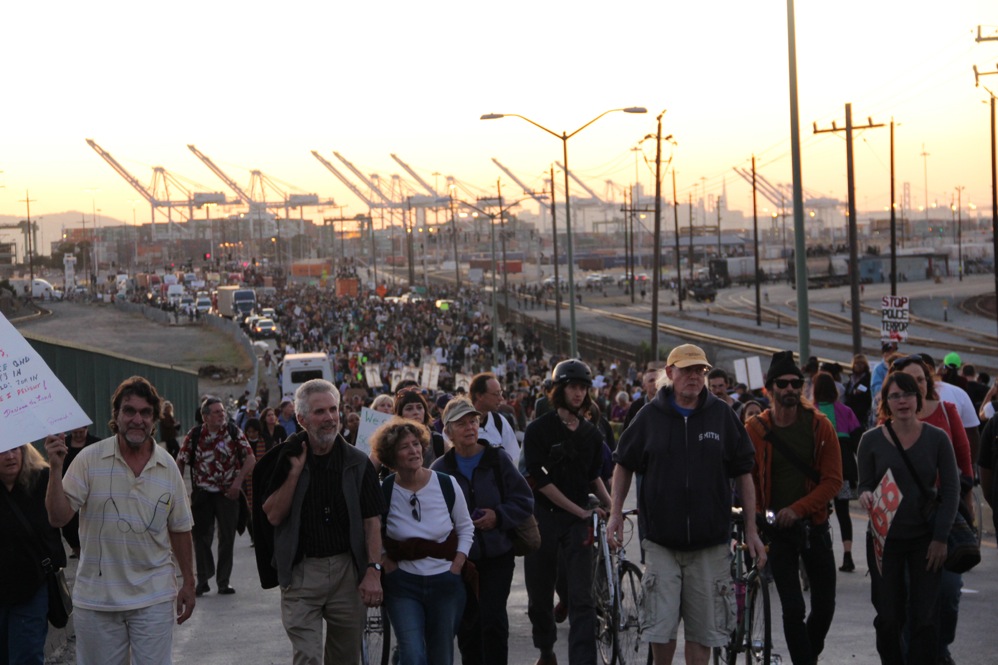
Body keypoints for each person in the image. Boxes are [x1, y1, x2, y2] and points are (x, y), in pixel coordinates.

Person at [610, 344, 765, 665]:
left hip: (710, 545)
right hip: (661, 544)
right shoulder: (649, 416)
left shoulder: (721, 415)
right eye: (687, 370)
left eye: (700, 371)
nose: (694, 377)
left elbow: (744, 472)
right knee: (661, 627)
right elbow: (623, 464)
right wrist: (614, 515)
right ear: (670, 374)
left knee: (702, 631)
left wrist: (751, 528)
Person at [44, 376, 196, 665]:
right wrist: (54, 468)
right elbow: (57, 517)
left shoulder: (167, 468)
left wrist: (189, 582)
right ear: (116, 415)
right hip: (97, 601)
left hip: (154, 597)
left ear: (154, 418)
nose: (137, 419)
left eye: (145, 412)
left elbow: (180, 529)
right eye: (129, 411)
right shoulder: (89, 460)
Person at [262, 379, 385, 664]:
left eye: (333, 410)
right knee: (308, 657)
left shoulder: (357, 462)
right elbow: (274, 515)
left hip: (347, 573)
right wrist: (294, 473)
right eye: (320, 412)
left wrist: (373, 571)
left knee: (345, 658)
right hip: (302, 573)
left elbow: (372, 522)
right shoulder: (286, 457)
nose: (329, 418)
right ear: (302, 419)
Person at [744, 351, 842, 665]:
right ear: (769, 389)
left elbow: (833, 481)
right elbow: (746, 478)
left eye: (795, 383)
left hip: (814, 526)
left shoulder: (819, 426)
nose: (789, 389)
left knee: (824, 605)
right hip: (777, 531)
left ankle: (807, 655)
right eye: (782, 384)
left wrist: (798, 509)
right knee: (793, 609)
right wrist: (756, 514)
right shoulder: (755, 430)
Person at [857, 372, 959, 665]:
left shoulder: (937, 439)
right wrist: (865, 495)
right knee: (889, 617)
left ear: (918, 398)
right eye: (895, 396)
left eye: (908, 394)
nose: (902, 401)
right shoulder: (871, 440)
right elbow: (864, 485)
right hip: (884, 540)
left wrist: (940, 538)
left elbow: (950, 490)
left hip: (925, 539)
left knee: (925, 618)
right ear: (886, 402)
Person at [523, 359, 613, 665]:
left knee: (582, 598)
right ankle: (546, 650)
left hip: (578, 526)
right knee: (539, 595)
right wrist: (580, 510)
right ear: (559, 390)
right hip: (543, 518)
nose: (578, 393)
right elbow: (540, 481)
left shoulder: (591, 434)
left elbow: (592, 474)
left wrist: (611, 505)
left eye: (583, 388)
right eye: (572, 387)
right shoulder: (538, 430)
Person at [431, 398, 534, 665]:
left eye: (473, 422)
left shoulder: (497, 459)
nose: (470, 428)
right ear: (448, 431)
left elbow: (524, 500)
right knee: (469, 623)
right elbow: (430, 514)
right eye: (462, 423)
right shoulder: (440, 469)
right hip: (461, 560)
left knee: (493, 618)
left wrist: (498, 516)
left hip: (498, 554)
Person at [887, 354, 974, 665]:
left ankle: (940, 648)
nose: (914, 389)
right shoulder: (889, 425)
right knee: (912, 601)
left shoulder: (948, 413)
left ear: (928, 383)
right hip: (907, 524)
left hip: (945, 517)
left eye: (919, 381)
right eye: (906, 384)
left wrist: (968, 517)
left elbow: (965, 469)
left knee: (949, 592)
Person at [372, 417, 474, 665]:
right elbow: (375, 530)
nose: (414, 450)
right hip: (403, 585)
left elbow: (465, 526)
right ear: (392, 456)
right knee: (413, 652)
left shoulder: (446, 484)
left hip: (445, 584)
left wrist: (457, 564)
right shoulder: (385, 490)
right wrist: (385, 561)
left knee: (441, 657)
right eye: (405, 446)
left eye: (416, 444)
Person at [177, 396, 256, 596]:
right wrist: (178, 488)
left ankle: (223, 582)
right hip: (202, 495)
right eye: (217, 412)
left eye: (222, 411)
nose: (222, 415)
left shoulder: (233, 432)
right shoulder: (195, 435)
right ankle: (202, 579)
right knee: (201, 537)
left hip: (227, 494)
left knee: (227, 537)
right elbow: (181, 460)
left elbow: (250, 458)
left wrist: (237, 484)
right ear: (205, 417)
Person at [2, 443, 67, 665]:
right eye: (1, 450)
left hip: (32, 587)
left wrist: (57, 468)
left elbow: (64, 522)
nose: (10, 456)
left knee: (26, 657)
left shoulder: (42, 480)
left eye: (15, 449)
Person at [812, 371, 863, 573]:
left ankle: (821, 554)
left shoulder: (812, 412)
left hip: (820, 473)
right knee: (843, 513)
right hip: (844, 469)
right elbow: (859, 441)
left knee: (820, 511)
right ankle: (848, 555)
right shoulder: (846, 411)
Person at [59, 425, 100, 558]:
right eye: (75, 432)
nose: (77, 435)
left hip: (92, 489)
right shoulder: (63, 443)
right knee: (70, 527)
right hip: (69, 488)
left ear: (86, 429)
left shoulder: (96, 443)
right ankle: (78, 552)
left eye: (81, 432)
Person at [470, 372, 520, 461]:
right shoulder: (459, 422)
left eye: (501, 393)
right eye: (496, 394)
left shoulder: (499, 422)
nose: (501, 398)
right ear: (479, 395)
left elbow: (513, 458)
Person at [394, 389, 447, 464]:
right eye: (409, 408)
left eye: (419, 407)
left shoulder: (437, 440)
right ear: (400, 414)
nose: (416, 412)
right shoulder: (390, 441)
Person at [843, 354, 872, 427]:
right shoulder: (851, 378)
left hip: (861, 415)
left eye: (861, 363)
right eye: (856, 363)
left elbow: (869, 396)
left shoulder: (868, 379)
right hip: (849, 413)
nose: (859, 365)